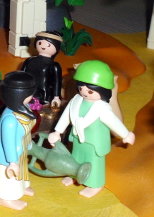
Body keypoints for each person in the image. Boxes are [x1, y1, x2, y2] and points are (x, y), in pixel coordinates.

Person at [48, 60, 135, 198]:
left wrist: (126, 134)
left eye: (90, 90)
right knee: (76, 157)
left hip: (94, 142)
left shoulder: (102, 108)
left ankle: (95, 184)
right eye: (81, 88)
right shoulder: (76, 100)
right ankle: (74, 175)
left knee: (93, 162)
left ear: (103, 91)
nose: (85, 93)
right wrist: (57, 131)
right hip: (78, 138)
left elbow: (113, 121)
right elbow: (66, 116)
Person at [0, 71, 37, 210]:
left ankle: (21, 189)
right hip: (10, 155)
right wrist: (12, 162)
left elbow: (25, 131)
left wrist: (28, 142)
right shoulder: (10, 120)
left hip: (21, 149)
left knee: (21, 173)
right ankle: (6, 198)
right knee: (10, 177)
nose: (32, 96)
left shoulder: (24, 109)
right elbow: (8, 143)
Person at [20, 31, 63, 108]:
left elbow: (57, 82)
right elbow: (22, 74)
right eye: (40, 43)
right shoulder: (29, 60)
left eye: (48, 45)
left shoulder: (54, 65)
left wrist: (56, 97)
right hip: (26, 91)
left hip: (45, 96)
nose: (43, 46)